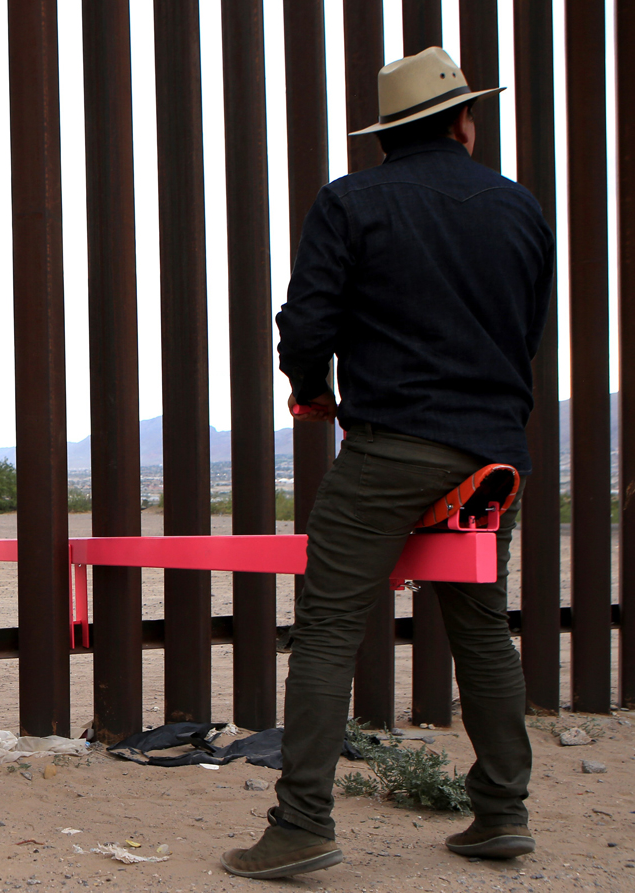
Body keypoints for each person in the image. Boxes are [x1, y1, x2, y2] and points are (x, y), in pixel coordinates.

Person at [221, 46, 554, 879]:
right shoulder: (521, 209)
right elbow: (526, 331)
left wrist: (312, 389)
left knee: (330, 625)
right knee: (482, 627)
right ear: (463, 122)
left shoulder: (352, 201)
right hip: (494, 459)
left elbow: (306, 323)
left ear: (387, 135)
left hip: (392, 446)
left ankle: (302, 824)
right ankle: (502, 812)